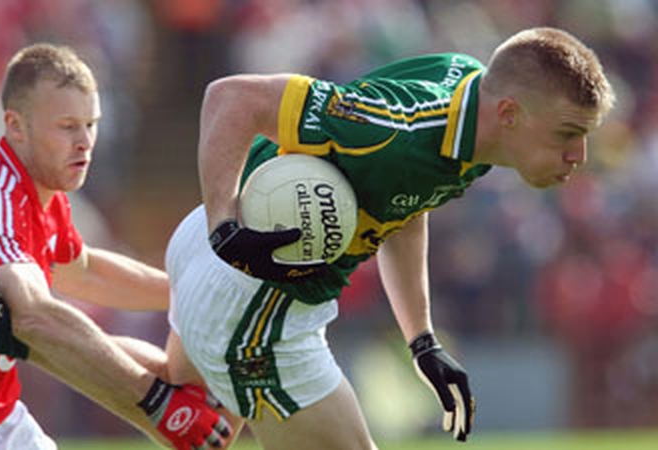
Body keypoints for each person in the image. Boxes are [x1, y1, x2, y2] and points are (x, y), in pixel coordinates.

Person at [164, 26, 616, 449]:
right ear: (510, 114)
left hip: (220, 261)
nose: (579, 155)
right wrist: (224, 230)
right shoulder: (399, 129)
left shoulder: (475, 112)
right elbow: (231, 97)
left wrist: (422, 341)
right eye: (568, 134)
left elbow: (404, 203)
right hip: (259, 304)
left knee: (176, 408)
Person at [0, 43, 231, 450]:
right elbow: (35, 316)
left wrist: (192, 295)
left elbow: (84, 271)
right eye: (67, 126)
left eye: (91, 123)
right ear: (16, 126)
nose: (85, 141)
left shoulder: (41, 195)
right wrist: (157, 402)